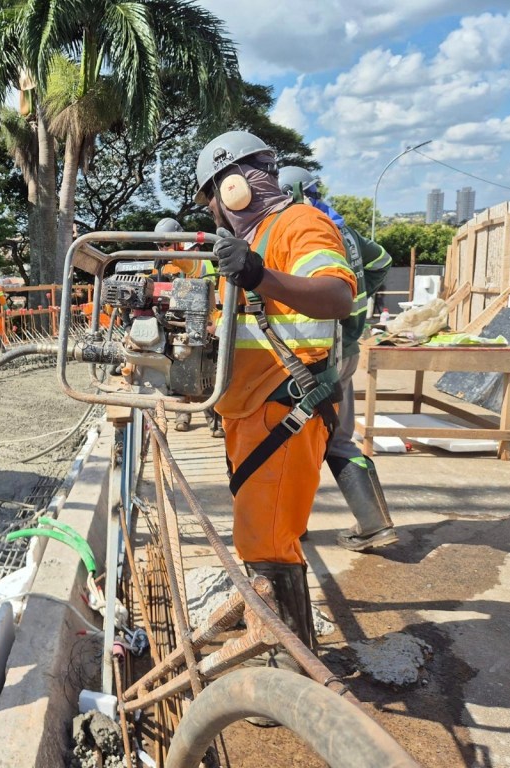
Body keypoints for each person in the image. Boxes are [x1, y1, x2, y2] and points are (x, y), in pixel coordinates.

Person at [193, 132, 356, 683]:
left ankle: (289, 667)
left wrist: (259, 272)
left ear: (233, 185)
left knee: (269, 540)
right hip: (251, 411)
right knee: (258, 531)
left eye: (211, 198)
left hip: (286, 408)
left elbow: (336, 297)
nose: (214, 211)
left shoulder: (298, 225)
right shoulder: (255, 238)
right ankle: (279, 640)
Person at [279, 167, 397, 552]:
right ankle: (373, 522)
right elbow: (381, 261)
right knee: (337, 436)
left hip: (315, 354)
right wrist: (361, 298)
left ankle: (290, 526)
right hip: (346, 349)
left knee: (297, 439)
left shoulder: (302, 231)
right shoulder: (342, 229)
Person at [153, 218, 225, 438]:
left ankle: (215, 421)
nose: (162, 249)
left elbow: (189, 267)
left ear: (178, 241)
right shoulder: (165, 263)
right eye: (159, 245)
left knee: (207, 372)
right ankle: (182, 415)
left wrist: (171, 253)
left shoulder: (197, 258)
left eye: (166, 244)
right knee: (176, 370)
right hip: (176, 322)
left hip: (203, 321)